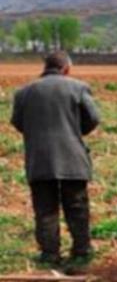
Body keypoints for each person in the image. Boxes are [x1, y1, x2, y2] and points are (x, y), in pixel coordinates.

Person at [11, 51, 100, 265]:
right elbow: (94, 118)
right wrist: (74, 132)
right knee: (77, 206)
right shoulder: (78, 88)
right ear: (66, 69)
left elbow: (17, 122)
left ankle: (49, 254)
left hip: (39, 159)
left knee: (45, 209)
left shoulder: (23, 93)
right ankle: (81, 251)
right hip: (72, 157)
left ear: (44, 67)